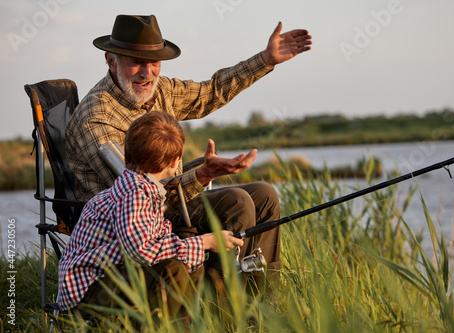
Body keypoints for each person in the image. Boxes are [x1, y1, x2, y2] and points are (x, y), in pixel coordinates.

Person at [65, 14, 312, 289]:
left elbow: (212, 91)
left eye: (154, 62)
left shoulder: (161, 90)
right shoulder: (96, 118)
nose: (147, 74)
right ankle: (224, 311)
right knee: (236, 201)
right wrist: (202, 175)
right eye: (136, 62)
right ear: (111, 60)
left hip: (163, 197)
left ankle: (263, 305)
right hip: (128, 221)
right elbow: (139, 192)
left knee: (265, 195)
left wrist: (265, 59)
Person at [57, 111, 244, 319]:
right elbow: (141, 251)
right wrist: (206, 242)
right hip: (87, 296)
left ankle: (187, 325)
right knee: (173, 269)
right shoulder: (135, 194)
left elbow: (152, 244)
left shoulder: (144, 188)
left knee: (186, 262)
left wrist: (194, 251)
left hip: (108, 279)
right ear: (174, 162)